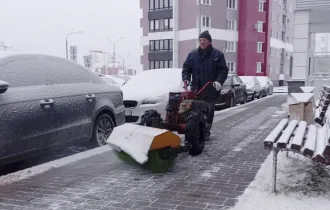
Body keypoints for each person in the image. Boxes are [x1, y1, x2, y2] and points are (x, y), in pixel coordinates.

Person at [182, 30, 229, 141]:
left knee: (208, 111)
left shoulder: (217, 55)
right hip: (196, 88)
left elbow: (223, 70)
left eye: (204, 40)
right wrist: (186, 79)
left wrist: (218, 81)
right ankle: (189, 129)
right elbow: (186, 68)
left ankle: (205, 131)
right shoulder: (192, 54)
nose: (202, 42)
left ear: (209, 41)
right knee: (189, 109)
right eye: (200, 40)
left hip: (210, 89)